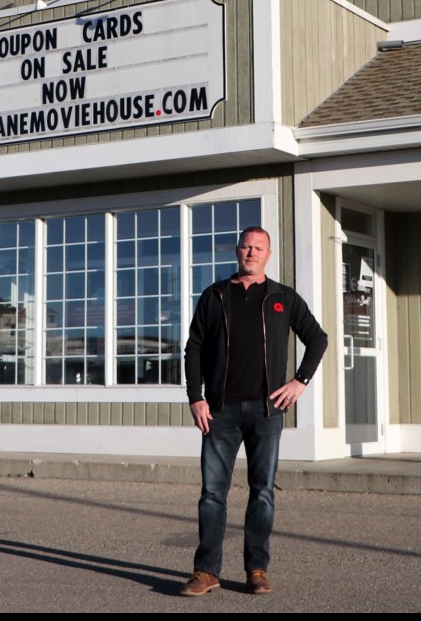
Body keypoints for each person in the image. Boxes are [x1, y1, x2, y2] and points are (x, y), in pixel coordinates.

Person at [179, 226, 327, 597]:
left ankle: (256, 569)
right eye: (246, 246)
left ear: (268, 254)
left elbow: (317, 338)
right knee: (213, 492)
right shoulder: (215, 295)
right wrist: (195, 397)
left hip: (267, 411)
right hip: (220, 411)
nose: (251, 252)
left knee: (262, 491)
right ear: (237, 251)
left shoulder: (282, 297)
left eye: (258, 248)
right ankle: (205, 571)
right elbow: (194, 348)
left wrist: (300, 381)